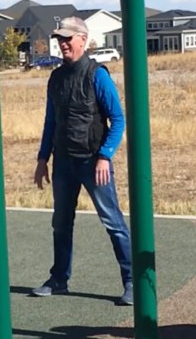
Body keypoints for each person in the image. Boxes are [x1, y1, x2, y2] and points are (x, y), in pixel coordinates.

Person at [31, 16, 134, 305]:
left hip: (93, 161)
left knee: (112, 221)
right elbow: (51, 122)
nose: (63, 43)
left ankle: (131, 281)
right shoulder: (56, 78)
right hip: (64, 162)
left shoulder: (97, 74)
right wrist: (43, 159)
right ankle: (59, 278)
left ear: (83, 40)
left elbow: (117, 119)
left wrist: (105, 156)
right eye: (59, 39)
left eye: (68, 38)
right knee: (61, 222)